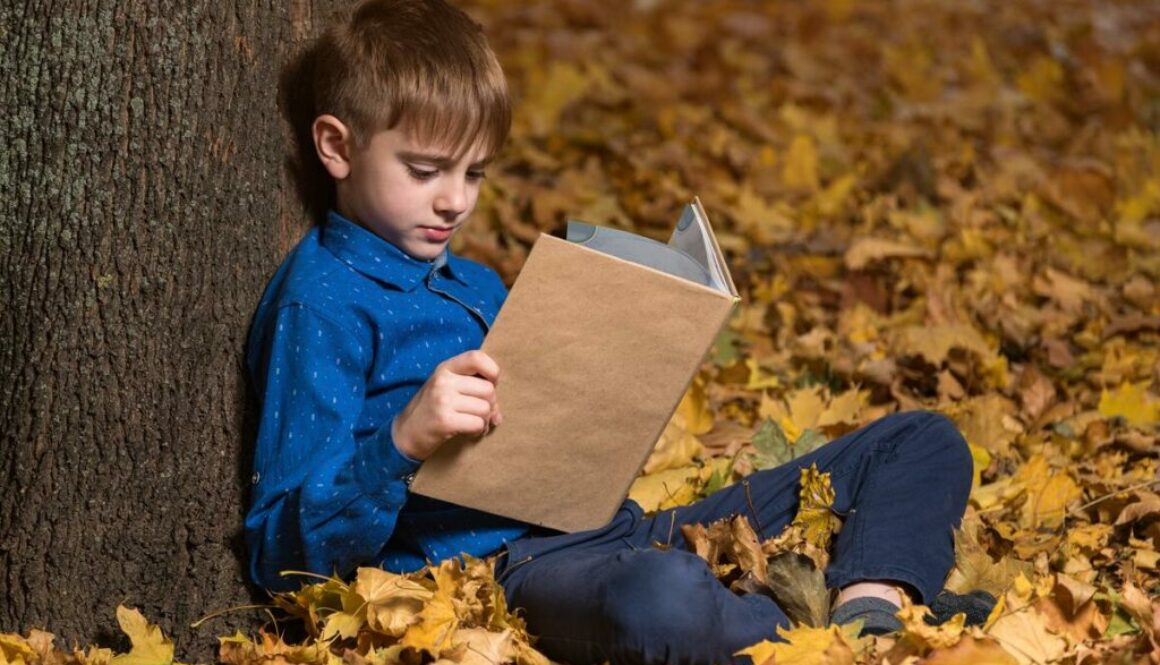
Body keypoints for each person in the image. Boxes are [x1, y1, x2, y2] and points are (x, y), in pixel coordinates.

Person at [244, 0, 975, 662]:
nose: (455, 201)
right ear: (337, 147)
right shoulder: (322, 305)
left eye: (475, 174)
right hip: (516, 567)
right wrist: (403, 439)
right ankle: (856, 631)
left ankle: (869, 613)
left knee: (922, 441)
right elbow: (280, 552)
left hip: (615, 526)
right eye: (427, 169)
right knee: (663, 598)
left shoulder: (473, 282)